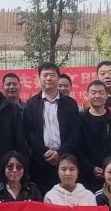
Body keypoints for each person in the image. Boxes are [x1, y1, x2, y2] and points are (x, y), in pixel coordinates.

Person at [23, 62, 81, 192]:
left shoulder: (70, 103)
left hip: (65, 161)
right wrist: (45, 152)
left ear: (58, 78)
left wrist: (60, 153)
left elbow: (75, 132)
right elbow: (29, 133)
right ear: (39, 79)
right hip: (40, 161)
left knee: (66, 196)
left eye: (52, 75)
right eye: (45, 75)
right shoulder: (32, 104)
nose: (48, 78)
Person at [77, 80, 111, 191]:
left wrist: (109, 168)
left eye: (101, 93)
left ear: (107, 96)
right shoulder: (79, 119)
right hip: (85, 175)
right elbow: (77, 148)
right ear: (87, 95)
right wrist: (90, 168)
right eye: (93, 92)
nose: (97, 96)